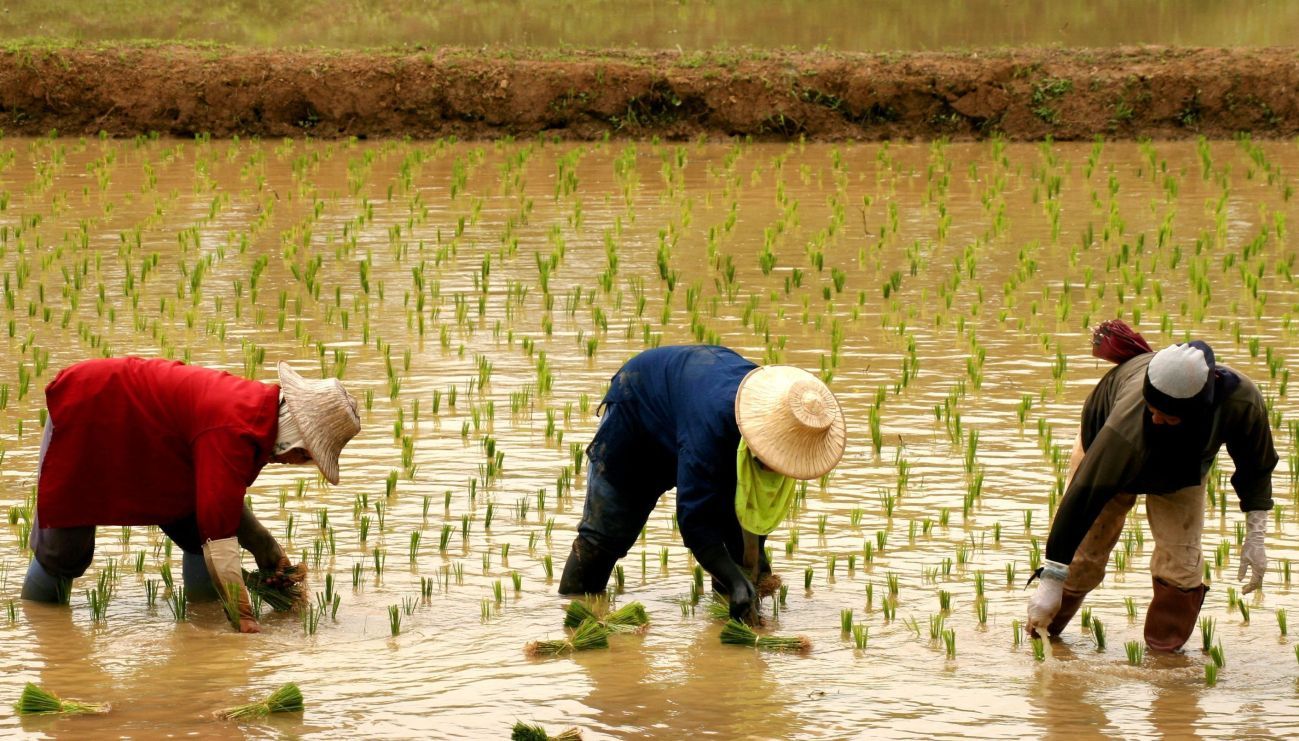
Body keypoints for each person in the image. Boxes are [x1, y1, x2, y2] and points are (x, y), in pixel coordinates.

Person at [21, 357, 361, 633]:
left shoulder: (255, 412)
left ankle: (203, 622)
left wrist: (268, 554)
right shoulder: (233, 428)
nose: (293, 463)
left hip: (149, 439)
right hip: (91, 411)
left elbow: (218, 503)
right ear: (293, 439)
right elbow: (218, 527)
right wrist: (242, 615)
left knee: (196, 536)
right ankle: (41, 634)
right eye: (304, 456)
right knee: (64, 549)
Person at [1026, 322, 1277, 651]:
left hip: (1183, 470)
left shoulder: (1242, 402)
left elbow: (1256, 466)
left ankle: (1165, 663)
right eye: (1153, 410)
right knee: (1084, 561)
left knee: (1182, 567)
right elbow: (1083, 496)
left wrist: (1256, 535)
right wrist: (1053, 575)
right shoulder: (1124, 428)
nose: (1157, 418)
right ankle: (1043, 641)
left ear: (1197, 413)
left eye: (1168, 416)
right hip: (1107, 458)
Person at [559, 345, 846, 620]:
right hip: (639, 412)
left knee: (737, 549)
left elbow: (753, 504)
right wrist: (735, 580)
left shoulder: (784, 415)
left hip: (693, 402)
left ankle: (730, 632)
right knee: (605, 535)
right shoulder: (713, 429)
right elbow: (695, 522)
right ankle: (573, 613)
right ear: (761, 441)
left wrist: (753, 554)